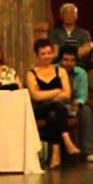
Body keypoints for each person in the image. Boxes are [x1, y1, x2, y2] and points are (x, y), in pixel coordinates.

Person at [27, 39, 74, 168]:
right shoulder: (32, 73)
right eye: (43, 54)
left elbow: (67, 94)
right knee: (56, 106)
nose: (47, 56)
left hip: (58, 110)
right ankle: (66, 137)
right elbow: (35, 96)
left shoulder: (61, 71)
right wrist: (57, 91)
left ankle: (56, 153)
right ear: (37, 55)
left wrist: (46, 94)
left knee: (53, 114)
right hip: (39, 109)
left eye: (49, 53)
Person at [60, 46, 93, 158]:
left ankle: (87, 151)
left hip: (74, 103)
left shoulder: (81, 73)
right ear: (60, 60)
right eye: (66, 60)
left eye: (72, 60)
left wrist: (77, 104)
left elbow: (82, 94)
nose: (68, 63)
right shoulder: (55, 70)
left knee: (86, 111)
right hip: (59, 103)